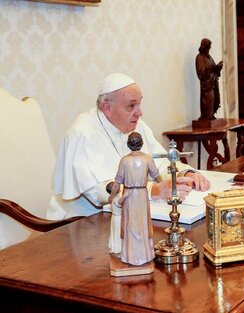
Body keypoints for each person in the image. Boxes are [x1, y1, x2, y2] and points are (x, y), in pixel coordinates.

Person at [49, 73, 210, 219]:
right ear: (107, 107)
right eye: (131, 106)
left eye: (139, 104)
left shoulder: (135, 124)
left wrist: (185, 173)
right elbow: (98, 192)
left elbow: (158, 162)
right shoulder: (82, 133)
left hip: (128, 214)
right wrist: (153, 191)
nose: (140, 113)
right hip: (84, 221)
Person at [108, 132, 157, 266]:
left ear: (129, 144)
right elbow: (156, 175)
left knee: (131, 225)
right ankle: (144, 255)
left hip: (130, 195)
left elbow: (118, 181)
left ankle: (131, 256)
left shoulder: (125, 160)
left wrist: (112, 196)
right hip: (140, 195)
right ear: (141, 143)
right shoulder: (147, 158)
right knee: (142, 224)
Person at [195, 38, 223, 120]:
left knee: (214, 100)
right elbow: (201, 73)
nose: (209, 49)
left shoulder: (209, 57)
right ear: (204, 47)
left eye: (209, 48)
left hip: (213, 84)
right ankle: (206, 116)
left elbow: (214, 69)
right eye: (208, 47)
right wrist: (213, 69)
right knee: (208, 101)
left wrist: (218, 68)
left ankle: (211, 115)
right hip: (207, 86)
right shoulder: (199, 57)